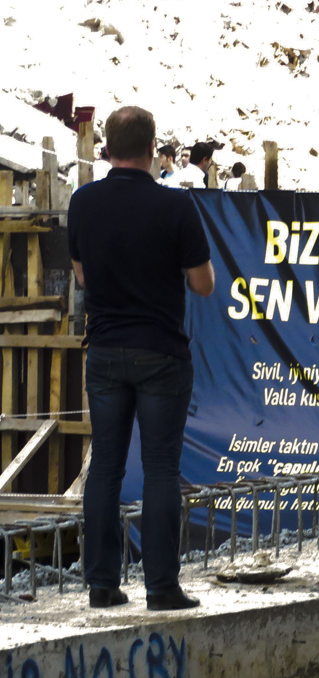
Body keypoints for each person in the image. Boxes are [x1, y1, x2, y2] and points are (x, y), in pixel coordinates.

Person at [68, 105, 215, 612]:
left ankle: (102, 583)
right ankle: (162, 588)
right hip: (160, 354)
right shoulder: (175, 208)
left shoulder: (83, 203)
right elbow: (203, 284)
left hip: (105, 351)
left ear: (106, 149)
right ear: (154, 150)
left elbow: (82, 275)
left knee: (105, 466)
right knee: (159, 470)